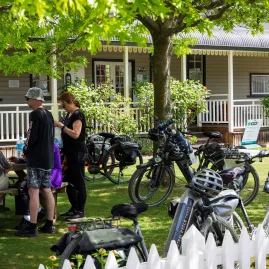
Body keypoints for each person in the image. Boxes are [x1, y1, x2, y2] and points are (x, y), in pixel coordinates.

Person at [16, 87, 55, 237]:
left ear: (34, 99)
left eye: (28, 98)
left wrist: (25, 150)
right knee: (46, 190)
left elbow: (31, 135)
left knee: (33, 191)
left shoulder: (35, 114)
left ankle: (32, 227)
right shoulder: (49, 114)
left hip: (36, 158)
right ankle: (50, 224)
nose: (27, 101)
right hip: (47, 158)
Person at [10, 143, 62, 230]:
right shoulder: (44, 142)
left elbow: (40, 161)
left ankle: (28, 217)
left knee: (23, 186)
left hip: (52, 175)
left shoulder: (50, 145)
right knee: (22, 184)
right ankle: (35, 213)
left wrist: (26, 158)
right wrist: (19, 160)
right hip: (44, 174)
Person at [54, 92, 87, 220]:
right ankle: (73, 207)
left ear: (70, 102)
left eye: (64, 105)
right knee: (69, 181)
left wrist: (62, 126)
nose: (64, 108)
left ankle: (80, 209)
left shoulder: (78, 114)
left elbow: (75, 134)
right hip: (68, 152)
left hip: (77, 152)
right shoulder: (69, 114)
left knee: (79, 181)